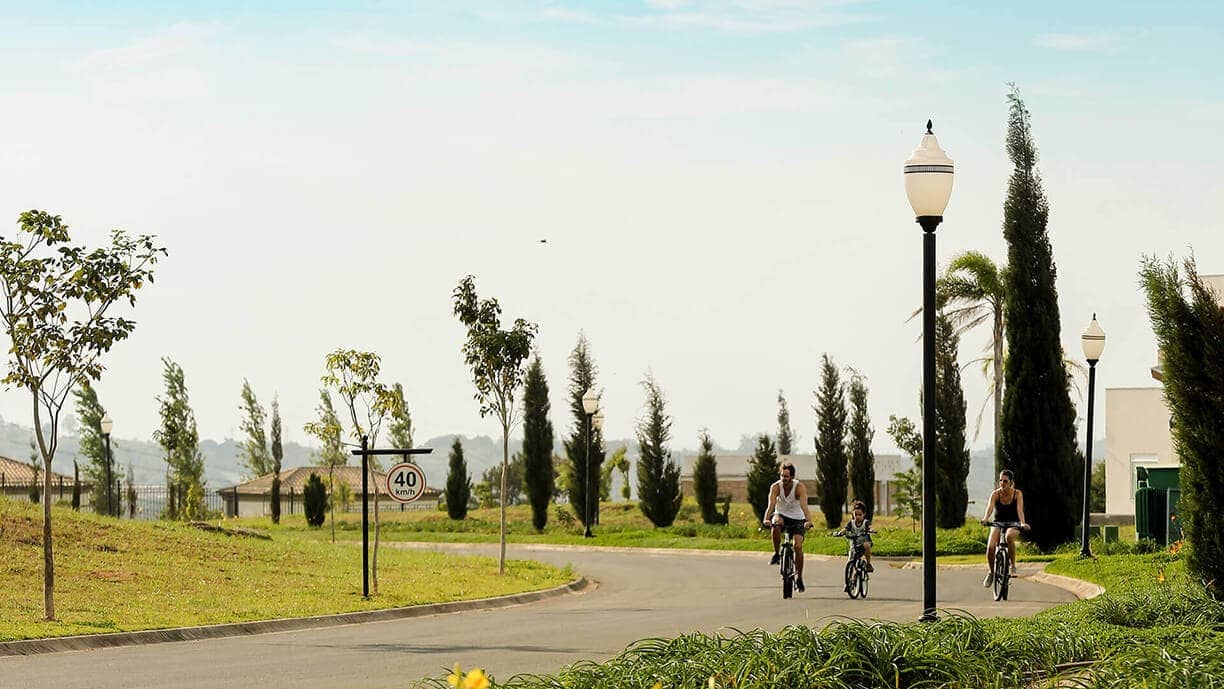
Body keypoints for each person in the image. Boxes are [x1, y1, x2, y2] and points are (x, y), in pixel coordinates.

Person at [762, 461, 815, 592]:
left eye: (786, 476)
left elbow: (804, 506)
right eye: (782, 476)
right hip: (781, 515)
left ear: (792, 476)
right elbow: (771, 504)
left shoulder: (799, 487)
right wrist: (766, 518)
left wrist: (808, 521)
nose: (783, 479)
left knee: (797, 546)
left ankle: (799, 578)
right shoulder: (775, 487)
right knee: (775, 524)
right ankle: (776, 553)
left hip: (798, 518)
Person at [979, 469, 1030, 586]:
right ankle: (991, 572)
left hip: (1014, 523)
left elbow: (1019, 510)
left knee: (1009, 537)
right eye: (1000, 480)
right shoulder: (995, 494)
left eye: (1005, 481)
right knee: (991, 547)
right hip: (998, 523)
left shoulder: (1017, 494)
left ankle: (1012, 565)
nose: (1002, 483)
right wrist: (986, 518)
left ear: (1011, 482)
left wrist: (1022, 523)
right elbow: (990, 507)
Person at [838, 500, 874, 574]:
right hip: (854, 544)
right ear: (853, 514)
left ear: (864, 514)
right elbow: (846, 529)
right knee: (850, 560)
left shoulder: (865, 522)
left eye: (860, 515)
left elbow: (870, 527)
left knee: (866, 545)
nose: (857, 517)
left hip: (863, 543)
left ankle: (868, 563)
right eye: (855, 514)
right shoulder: (851, 523)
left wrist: (871, 530)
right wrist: (841, 532)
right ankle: (848, 580)